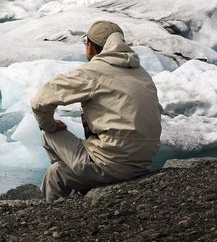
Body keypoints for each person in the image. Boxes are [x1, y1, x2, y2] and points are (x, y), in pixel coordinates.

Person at [31, 21, 162, 202]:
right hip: (144, 162)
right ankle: (81, 184)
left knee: (49, 134)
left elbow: (40, 101)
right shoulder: (142, 73)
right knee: (57, 172)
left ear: (91, 47)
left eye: (86, 42)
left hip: (112, 163)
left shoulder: (93, 73)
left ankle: (72, 197)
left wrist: (50, 125)